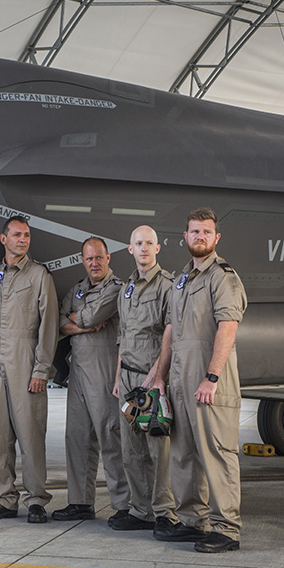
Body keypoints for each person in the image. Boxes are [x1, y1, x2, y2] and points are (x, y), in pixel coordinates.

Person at [150, 208, 246, 553]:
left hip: (209, 383)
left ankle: (226, 528)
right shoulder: (182, 279)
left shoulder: (223, 277)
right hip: (179, 380)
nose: (200, 237)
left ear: (216, 238)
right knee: (184, 454)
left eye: (207, 232)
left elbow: (228, 327)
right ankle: (194, 522)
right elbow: (171, 330)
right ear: (185, 237)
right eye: (194, 231)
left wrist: (212, 376)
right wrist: (159, 377)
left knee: (217, 453)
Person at [0, 216, 59, 524]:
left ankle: (36, 499)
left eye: (27, 235)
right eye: (17, 235)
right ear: (3, 239)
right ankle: (3, 499)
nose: (23, 240)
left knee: (30, 432)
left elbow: (49, 327)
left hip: (25, 357)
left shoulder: (38, 276)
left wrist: (41, 370)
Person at [52, 237, 130, 523]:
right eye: (89, 259)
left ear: (108, 258)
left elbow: (93, 314)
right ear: (82, 260)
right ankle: (80, 502)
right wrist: (82, 327)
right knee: (77, 437)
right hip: (79, 374)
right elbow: (59, 321)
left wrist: (76, 320)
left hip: (105, 371)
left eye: (99, 258)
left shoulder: (116, 289)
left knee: (111, 437)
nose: (94, 263)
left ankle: (124, 505)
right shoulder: (77, 289)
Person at [110, 225, 177, 533]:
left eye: (150, 243)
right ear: (130, 248)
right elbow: (123, 336)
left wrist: (157, 375)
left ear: (157, 248)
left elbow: (170, 332)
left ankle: (165, 512)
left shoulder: (166, 286)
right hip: (127, 378)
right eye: (139, 243)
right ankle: (140, 510)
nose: (145, 248)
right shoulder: (127, 288)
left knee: (158, 450)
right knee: (131, 449)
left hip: (152, 380)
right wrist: (117, 377)